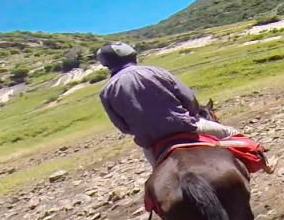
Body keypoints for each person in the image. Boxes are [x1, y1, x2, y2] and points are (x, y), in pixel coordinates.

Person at [96, 42, 238, 166]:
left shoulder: (106, 91)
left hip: (150, 141)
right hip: (186, 126)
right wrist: (190, 115)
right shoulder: (156, 71)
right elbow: (189, 99)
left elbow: (122, 126)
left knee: (158, 170)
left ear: (107, 65)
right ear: (132, 56)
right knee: (231, 133)